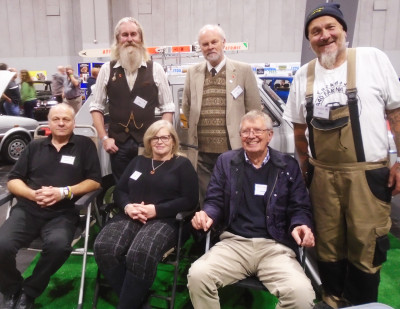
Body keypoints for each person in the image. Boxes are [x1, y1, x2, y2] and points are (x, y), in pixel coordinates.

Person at [283, 3, 400, 308]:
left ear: (344, 30)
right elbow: (298, 132)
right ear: (309, 39)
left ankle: (363, 304)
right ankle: (332, 300)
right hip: (322, 175)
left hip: (367, 173)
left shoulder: (372, 59)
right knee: (328, 245)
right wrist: (307, 169)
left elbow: (397, 114)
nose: (324, 35)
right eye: (315, 31)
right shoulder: (303, 75)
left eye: (330, 27)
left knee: (367, 242)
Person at [187, 110, 315, 309]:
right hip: (233, 244)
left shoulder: (287, 165)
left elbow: (300, 206)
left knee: (301, 295)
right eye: (246, 131)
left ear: (269, 135)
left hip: (275, 247)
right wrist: (207, 214)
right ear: (240, 136)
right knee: (198, 275)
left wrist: (301, 225)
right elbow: (214, 199)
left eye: (257, 130)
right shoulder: (226, 162)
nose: (251, 135)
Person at [0, 103, 101, 309]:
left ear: (73, 123)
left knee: (58, 246)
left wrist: (63, 192)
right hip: (28, 209)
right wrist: (32, 194)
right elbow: (13, 180)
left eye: (66, 119)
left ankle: (29, 291)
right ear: (49, 121)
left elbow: (95, 181)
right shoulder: (35, 147)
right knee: (2, 246)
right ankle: (11, 288)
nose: (61, 123)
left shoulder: (84, 146)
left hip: (63, 213)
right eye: (56, 119)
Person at [94, 119, 198, 309]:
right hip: (130, 215)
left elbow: (190, 200)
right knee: (104, 246)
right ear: (149, 141)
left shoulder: (182, 165)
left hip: (165, 220)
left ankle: (125, 305)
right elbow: (120, 190)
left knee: (141, 252)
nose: (160, 141)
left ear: (173, 140)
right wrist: (127, 207)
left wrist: (155, 210)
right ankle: (139, 302)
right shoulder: (138, 161)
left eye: (165, 137)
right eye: (155, 138)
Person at [182, 24, 261, 205]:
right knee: (206, 200)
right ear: (200, 48)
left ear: (223, 43)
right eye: (205, 44)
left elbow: (255, 111)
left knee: (234, 198)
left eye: (214, 42)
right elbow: (185, 108)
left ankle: (231, 232)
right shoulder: (192, 73)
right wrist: (187, 133)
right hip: (201, 154)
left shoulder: (243, 71)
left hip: (233, 151)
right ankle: (208, 233)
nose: (210, 47)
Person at [90, 17, 175, 182]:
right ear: (118, 39)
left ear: (141, 38)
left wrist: (162, 137)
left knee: (150, 184)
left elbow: (168, 107)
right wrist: (104, 138)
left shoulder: (155, 69)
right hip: (117, 146)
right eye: (125, 35)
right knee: (122, 187)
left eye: (133, 34)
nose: (129, 39)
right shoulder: (107, 70)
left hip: (148, 143)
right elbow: (96, 107)